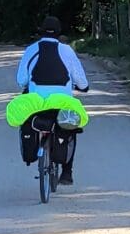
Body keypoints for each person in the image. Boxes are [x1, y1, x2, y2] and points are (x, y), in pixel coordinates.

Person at [16, 16, 89, 185]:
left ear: (41, 31)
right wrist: (83, 87)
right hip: (61, 103)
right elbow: (81, 81)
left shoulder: (31, 50)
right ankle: (67, 172)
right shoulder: (67, 51)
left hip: (37, 104)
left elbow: (21, 80)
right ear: (59, 33)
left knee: (30, 120)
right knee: (71, 126)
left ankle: (33, 150)